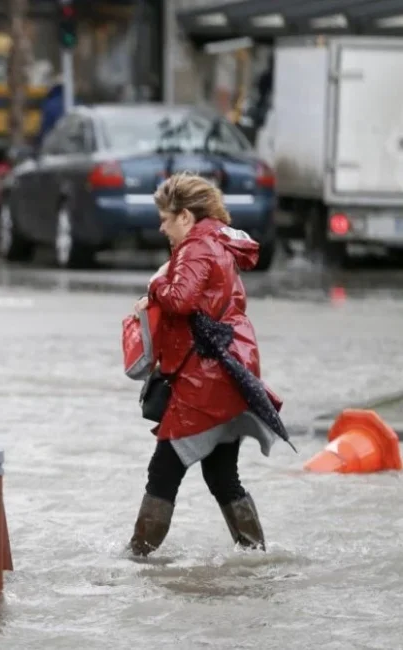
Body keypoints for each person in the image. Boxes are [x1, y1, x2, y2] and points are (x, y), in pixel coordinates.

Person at [128, 172, 279, 557]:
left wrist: (153, 290)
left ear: (185, 216)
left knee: (163, 471)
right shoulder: (219, 242)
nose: (162, 228)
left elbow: (180, 300)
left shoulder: (196, 247)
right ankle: (256, 557)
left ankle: (137, 559)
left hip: (204, 382)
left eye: (165, 219)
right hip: (226, 371)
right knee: (222, 475)